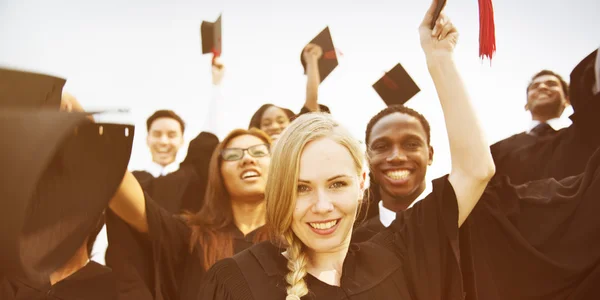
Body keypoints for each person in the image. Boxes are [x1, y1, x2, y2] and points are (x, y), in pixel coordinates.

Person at [197, 1, 495, 298]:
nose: (323, 205)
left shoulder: (398, 253)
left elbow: (476, 170)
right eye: (301, 188)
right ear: (280, 191)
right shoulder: (240, 280)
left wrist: (439, 58)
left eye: (337, 183)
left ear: (363, 181)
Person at [107, 128, 273, 299]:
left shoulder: (292, 240)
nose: (247, 159)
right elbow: (131, 203)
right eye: (232, 155)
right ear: (218, 172)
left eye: (259, 152)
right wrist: (89, 131)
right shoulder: (191, 235)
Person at [490, 49, 600, 185]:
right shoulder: (498, 150)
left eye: (551, 84)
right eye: (535, 86)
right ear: (526, 105)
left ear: (567, 100)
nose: (542, 87)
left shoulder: (586, 133)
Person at [247, 43, 330, 141]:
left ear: (292, 124)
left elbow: (312, 97)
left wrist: (311, 59)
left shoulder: (299, 142)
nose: (274, 127)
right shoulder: (251, 150)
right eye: (266, 124)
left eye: (281, 121)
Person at [136, 109, 186, 179]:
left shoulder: (196, 181)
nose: (163, 142)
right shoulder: (130, 181)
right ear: (147, 139)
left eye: (171, 135)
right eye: (157, 135)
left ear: (182, 141)